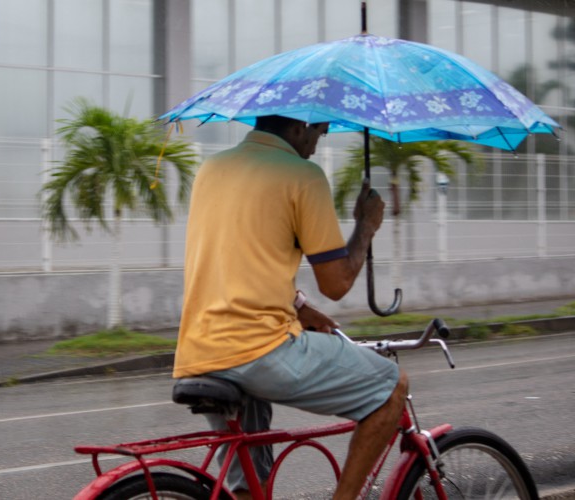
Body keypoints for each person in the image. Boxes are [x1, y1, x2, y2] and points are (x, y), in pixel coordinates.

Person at [173, 115, 408, 500]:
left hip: (200, 350)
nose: (319, 141)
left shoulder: (212, 169)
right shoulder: (303, 175)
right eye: (320, 131)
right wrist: (365, 227)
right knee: (391, 386)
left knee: (250, 489)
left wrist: (298, 305)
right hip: (258, 350)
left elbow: (240, 259)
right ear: (300, 126)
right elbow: (335, 284)